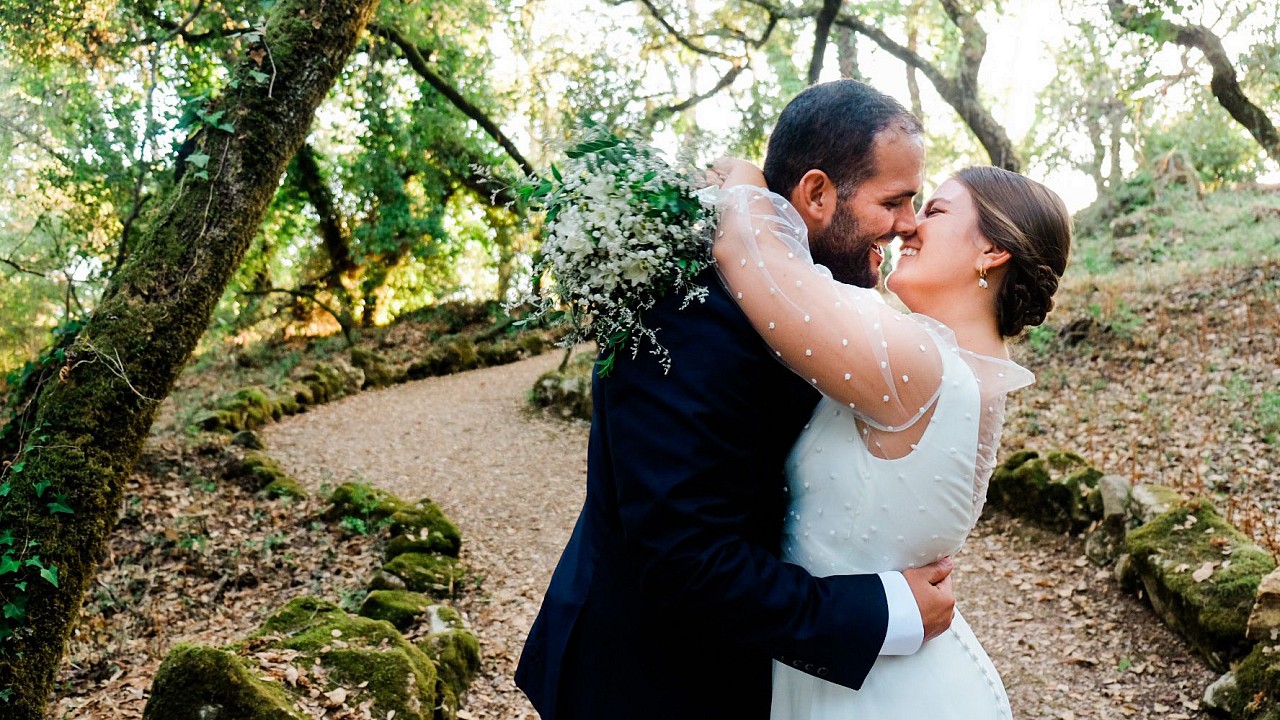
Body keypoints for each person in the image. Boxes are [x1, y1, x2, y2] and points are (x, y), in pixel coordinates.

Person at [515, 80, 959, 720]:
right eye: (895, 200)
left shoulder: (812, 307)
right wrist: (884, 612)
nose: (909, 224)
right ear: (815, 194)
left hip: (745, 668)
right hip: (649, 682)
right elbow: (684, 558)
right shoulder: (692, 318)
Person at [709, 156, 1072, 718]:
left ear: (992, 251)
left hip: (881, 694)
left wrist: (743, 180)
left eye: (935, 209)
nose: (909, 225)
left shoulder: (922, 365)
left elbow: (748, 255)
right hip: (863, 667)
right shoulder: (964, 366)